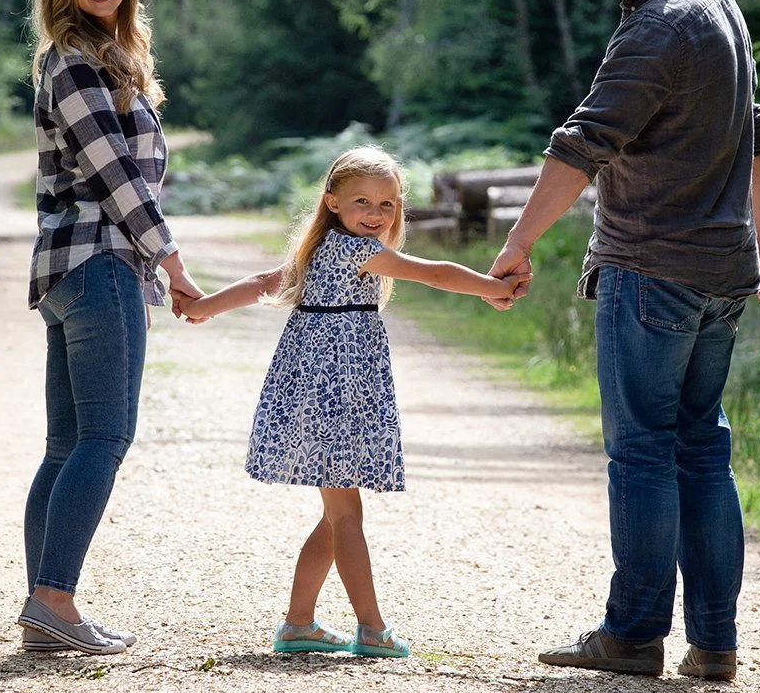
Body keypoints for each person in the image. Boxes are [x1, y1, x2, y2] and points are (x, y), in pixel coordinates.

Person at [488, 0, 760, 681]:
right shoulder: (716, 0)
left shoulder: (660, 26)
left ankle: (631, 634)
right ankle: (715, 641)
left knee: (643, 455)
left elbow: (582, 142)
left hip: (654, 269)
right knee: (700, 450)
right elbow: (755, 135)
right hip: (721, 273)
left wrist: (518, 242)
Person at [180, 147, 527, 658]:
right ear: (333, 203)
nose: (375, 213)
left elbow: (262, 284)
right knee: (345, 513)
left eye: (387, 204)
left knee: (335, 512)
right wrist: (490, 288)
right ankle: (371, 628)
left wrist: (205, 307)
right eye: (362, 201)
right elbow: (435, 272)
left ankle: (299, 624)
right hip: (335, 390)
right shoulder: (350, 249)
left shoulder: (318, 249)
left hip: (325, 387)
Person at [18, 0, 203, 656]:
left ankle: (44, 607)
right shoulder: (76, 62)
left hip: (74, 267)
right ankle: (55, 597)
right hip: (97, 263)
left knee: (67, 443)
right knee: (104, 435)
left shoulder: (102, 58)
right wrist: (173, 264)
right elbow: (119, 178)